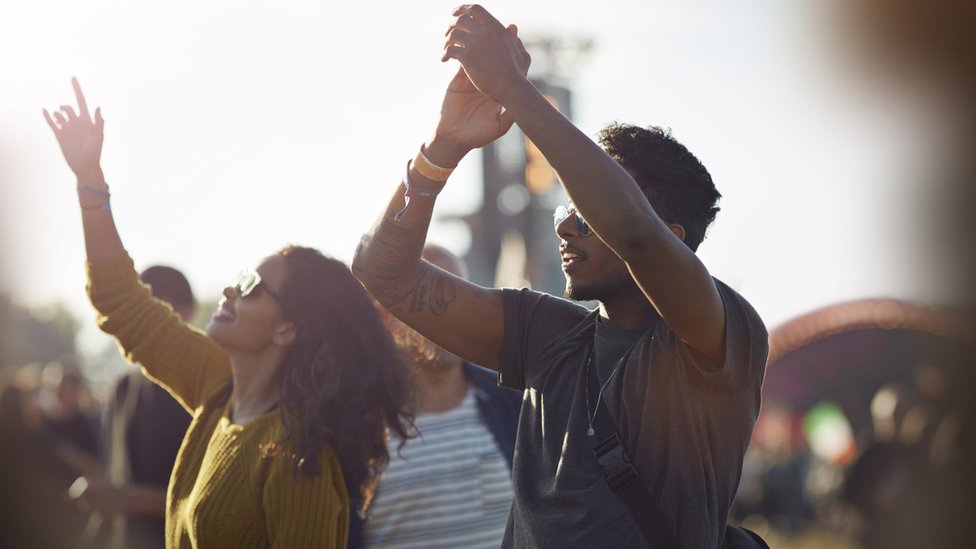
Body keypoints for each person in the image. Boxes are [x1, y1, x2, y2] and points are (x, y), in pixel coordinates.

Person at [352, 5, 768, 547]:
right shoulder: (546, 334)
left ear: (672, 237)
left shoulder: (717, 339)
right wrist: (442, 148)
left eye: (587, 214)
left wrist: (515, 92)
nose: (567, 226)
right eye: (565, 210)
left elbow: (634, 232)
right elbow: (381, 272)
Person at [44, 77, 413, 548]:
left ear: (287, 329)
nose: (229, 291)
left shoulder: (299, 458)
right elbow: (121, 303)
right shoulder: (219, 390)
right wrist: (89, 180)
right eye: (239, 278)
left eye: (250, 287)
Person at [357, 244, 521, 548]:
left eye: (461, 298)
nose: (451, 315)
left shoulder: (515, 402)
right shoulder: (358, 423)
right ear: (386, 317)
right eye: (430, 298)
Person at [79, 265, 196, 549]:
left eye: (151, 311)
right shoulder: (122, 387)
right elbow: (114, 475)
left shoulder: (200, 388)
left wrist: (129, 501)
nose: (135, 321)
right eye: (132, 311)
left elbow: (212, 495)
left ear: (187, 312)